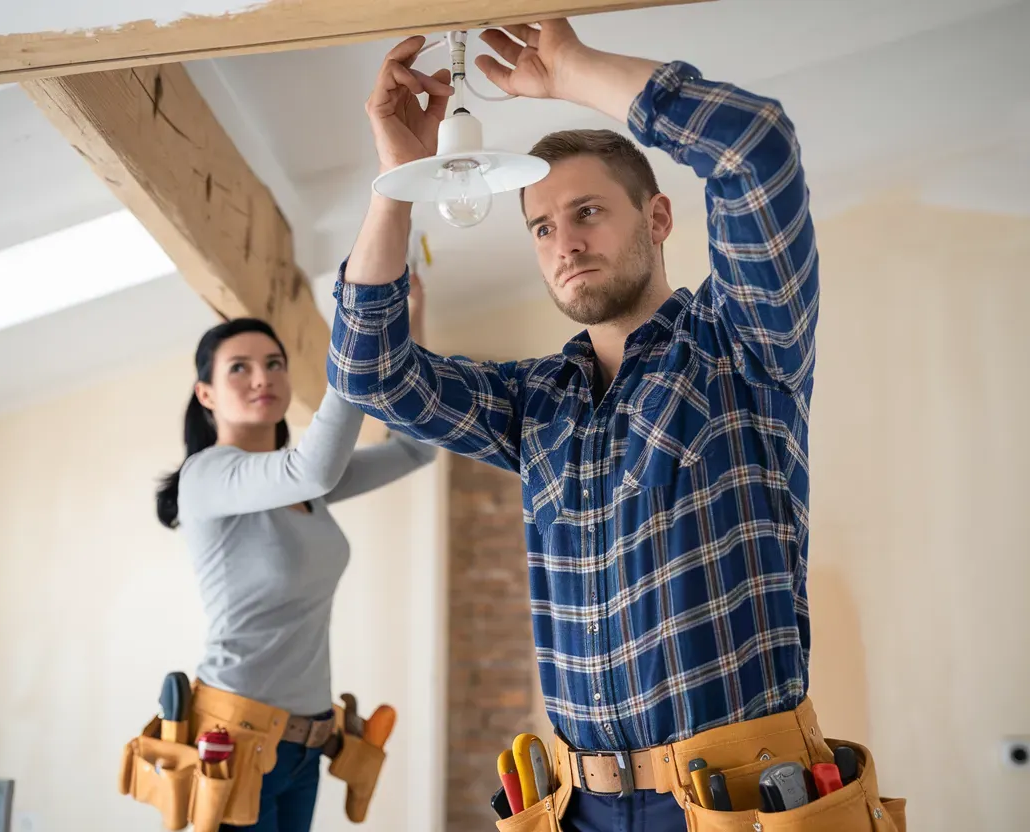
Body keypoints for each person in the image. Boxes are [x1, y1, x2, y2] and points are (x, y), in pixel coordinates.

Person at [329, 18, 902, 832]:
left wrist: (573, 67)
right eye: (541, 227)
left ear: (658, 218)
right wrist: (401, 178)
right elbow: (368, 370)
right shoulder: (537, 403)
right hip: (578, 806)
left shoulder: (740, 345)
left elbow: (754, 148)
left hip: (740, 800)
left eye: (588, 211)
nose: (565, 243)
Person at [154, 295, 436, 832]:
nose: (263, 376)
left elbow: (415, 450)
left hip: (306, 742)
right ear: (205, 394)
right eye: (240, 367)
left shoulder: (305, 485)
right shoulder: (208, 476)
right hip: (234, 741)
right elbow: (313, 468)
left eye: (274, 363)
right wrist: (361, 337)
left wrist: (406, 324)